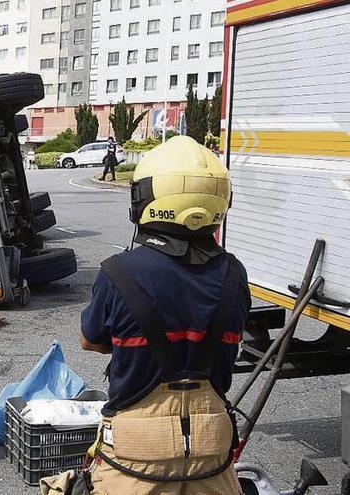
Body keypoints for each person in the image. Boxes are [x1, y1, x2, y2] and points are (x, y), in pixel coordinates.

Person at [80, 136, 250, 494]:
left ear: (143, 201)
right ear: (223, 201)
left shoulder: (117, 272)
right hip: (212, 454)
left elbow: (91, 342)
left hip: (136, 457)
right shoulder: (235, 274)